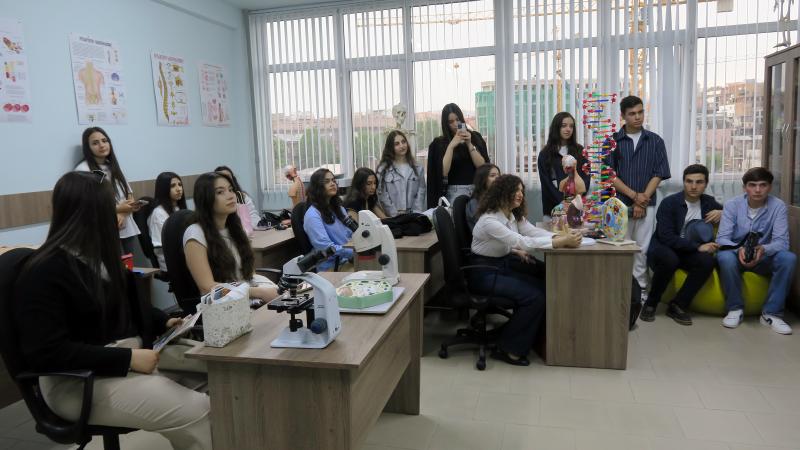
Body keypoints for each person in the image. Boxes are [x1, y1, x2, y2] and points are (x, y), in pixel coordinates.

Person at [14, 171, 211, 449]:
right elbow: (47, 352)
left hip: (120, 359)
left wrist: (163, 321)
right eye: (110, 208)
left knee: (216, 379)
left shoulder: (99, 257)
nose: (118, 216)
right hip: (76, 381)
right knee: (198, 411)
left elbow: (131, 305)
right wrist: (127, 359)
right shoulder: (45, 270)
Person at [470, 175, 582, 366]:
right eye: (515, 190)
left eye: (522, 190)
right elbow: (522, 242)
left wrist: (559, 236)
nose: (520, 194)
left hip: (501, 264)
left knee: (544, 284)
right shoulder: (489, 220)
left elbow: (532, 232)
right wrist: (560, 241)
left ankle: (532, 337)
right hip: (484, 273)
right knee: (535, 297)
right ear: (502, 192)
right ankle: (508, 348)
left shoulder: (511, 215)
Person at [605, 95, 671, 300]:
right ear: (623, 116)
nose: (637, 117)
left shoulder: (655, 140)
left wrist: (643, 200)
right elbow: (609, 175)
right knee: (620, 249)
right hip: (618, 205)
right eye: (632, 113)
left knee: (642, 249)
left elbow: (659, 173)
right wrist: (635, 196)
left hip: (647, 204)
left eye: (640, 112)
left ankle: (641, 290)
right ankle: (620, 290)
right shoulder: (611, 142)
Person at [639, 164, 723, 325]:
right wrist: (698, 247)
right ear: (684, 182)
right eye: (689, 181)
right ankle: (651, 302)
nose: (693, 186)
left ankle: (678, 305)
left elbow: (735, 213)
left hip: (687, 251)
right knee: (670, 259)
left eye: (699, 182)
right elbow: (667, 237)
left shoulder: (709, 203)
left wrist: (723, 212)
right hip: (664, 248)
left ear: (706, 184)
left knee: (707, 261)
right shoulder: (669, 203)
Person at [716, 167, 796, 334]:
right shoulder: (732, 205)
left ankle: (771, 314)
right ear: (744, 187)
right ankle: (735, 309)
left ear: (770, 187)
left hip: (763, 256)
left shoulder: (778, 206)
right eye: (752, 185)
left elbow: (782, 242)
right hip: (736, 254)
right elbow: (722, 238)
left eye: (763, 185)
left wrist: (763, 249)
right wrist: (739, 249)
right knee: (725, 257)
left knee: (788, 258)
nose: (757, 190)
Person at [184, 172, 278, 301]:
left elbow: (249, 274)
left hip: (247, 296)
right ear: (205, 198)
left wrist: (270, 289)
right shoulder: (195, 234)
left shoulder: (235, 228)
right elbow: (207, 288)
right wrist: (257, 292)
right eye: (220, 192)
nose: (230, 196)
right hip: (222, 304)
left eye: (231, 190)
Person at [75, 127, 142, 254]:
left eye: (104, 141)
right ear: (88, 148)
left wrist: (123, 213)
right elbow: (87, 204)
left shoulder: (112, 166)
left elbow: (129, 194)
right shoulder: (83, 170)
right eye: (95, 143)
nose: (102, 145)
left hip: (125, 225)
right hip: (102, 228)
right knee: (112, 264)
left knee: (128, 264)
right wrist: (118, 209)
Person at [426, 103, 490, 207]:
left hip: (476, 190)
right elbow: (443, 171)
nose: (455, 124)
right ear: (446, 124)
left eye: (457, 119)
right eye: (451, 122)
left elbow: (483, 166)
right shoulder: (440, 143)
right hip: (455, 192)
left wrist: (469, 143)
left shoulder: (475, 137)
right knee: (457, 216)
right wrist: (451, 146)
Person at [537, 112, 590, 220]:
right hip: (553, 211)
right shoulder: (545, 154)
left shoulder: (580, 151)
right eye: (564, 125)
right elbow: (547, 184)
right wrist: (563, 203)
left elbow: (586, 179)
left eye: (571, 126)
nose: (568, 129)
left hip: (576, 210)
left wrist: (575, 201)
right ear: (556, 127)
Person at [304, 168, 355, 271]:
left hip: (349, 259)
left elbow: (351, 234)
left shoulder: (339, 209)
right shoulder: (312, 215)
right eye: (327, 181)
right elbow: (326, 247)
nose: (332, 184)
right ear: (317, 187)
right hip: (332, 267)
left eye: (333, 180)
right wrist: (354, 253)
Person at [376, 130, 427, 216]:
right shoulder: (383, 169)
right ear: (390, 147)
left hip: (413, 216)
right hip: (393, 217)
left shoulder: (418, 168)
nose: (402, 146)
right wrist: (395, 215)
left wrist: (416, 214)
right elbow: (382, 195)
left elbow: (421, 192)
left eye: (403, 142)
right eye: (397, 144)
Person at [147, 172, 188, 272]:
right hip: (169, 262)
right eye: (173, 186)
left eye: (180, 184)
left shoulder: (179, 209)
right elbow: (160, 245)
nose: (179, 189)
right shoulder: (158, 213)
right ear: (163, 190)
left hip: (184, 254)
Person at [465, 163, 500, 231]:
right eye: (492, 176)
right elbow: (488, 227)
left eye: (498, 175)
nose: (497, 178)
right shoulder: (474, 203)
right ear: (483, 180)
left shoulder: (498, 198)